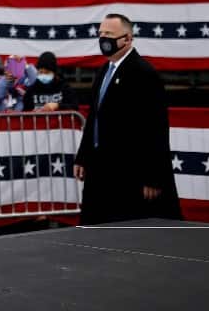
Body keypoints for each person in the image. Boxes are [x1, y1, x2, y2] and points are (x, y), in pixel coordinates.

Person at [74, 13, 181, 224]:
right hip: (101, 168)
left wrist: (153, 176)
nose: (103, 39)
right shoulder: (104, 70)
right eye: (101, 33)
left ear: (127, 39)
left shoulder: (143, 72)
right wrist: (83, 156)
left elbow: (155, 128)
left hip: (129, 172)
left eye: (109, 34)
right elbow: (94, 117)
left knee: (128, 233)